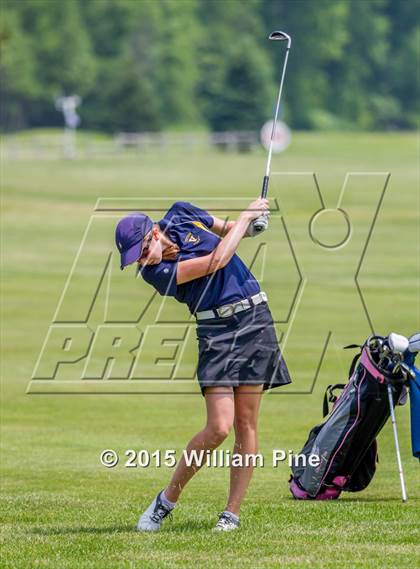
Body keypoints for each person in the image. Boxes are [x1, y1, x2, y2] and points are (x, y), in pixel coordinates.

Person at [115, 199, 292, 532]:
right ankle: (165, 501)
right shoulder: (156, 273)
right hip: (216, 333)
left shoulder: (181, 213)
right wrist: (245, 217)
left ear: (154, 232)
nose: (141, 261)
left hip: (255, 320)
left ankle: (231, 514)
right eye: (135, 259)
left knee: (246, 422)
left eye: (141, 251)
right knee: (219, 427)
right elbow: (217, 260)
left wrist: (252, 226)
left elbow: (229, 233)